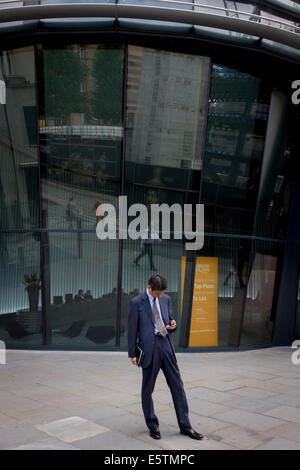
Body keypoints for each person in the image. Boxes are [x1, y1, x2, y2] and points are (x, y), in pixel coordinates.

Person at [128, 274, 203, 441]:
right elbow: (132, 329)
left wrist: (173, 324)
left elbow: (169, 319)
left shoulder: (166, 298)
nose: (159, 296)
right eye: (157, 294)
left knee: (178, 386)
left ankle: (186, 426)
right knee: (148, 389)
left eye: (161, 293)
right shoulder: (136, 303)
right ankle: (153, 425)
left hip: (166, 346)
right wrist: (132, 353)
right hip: (149, 349)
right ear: (149, 288)